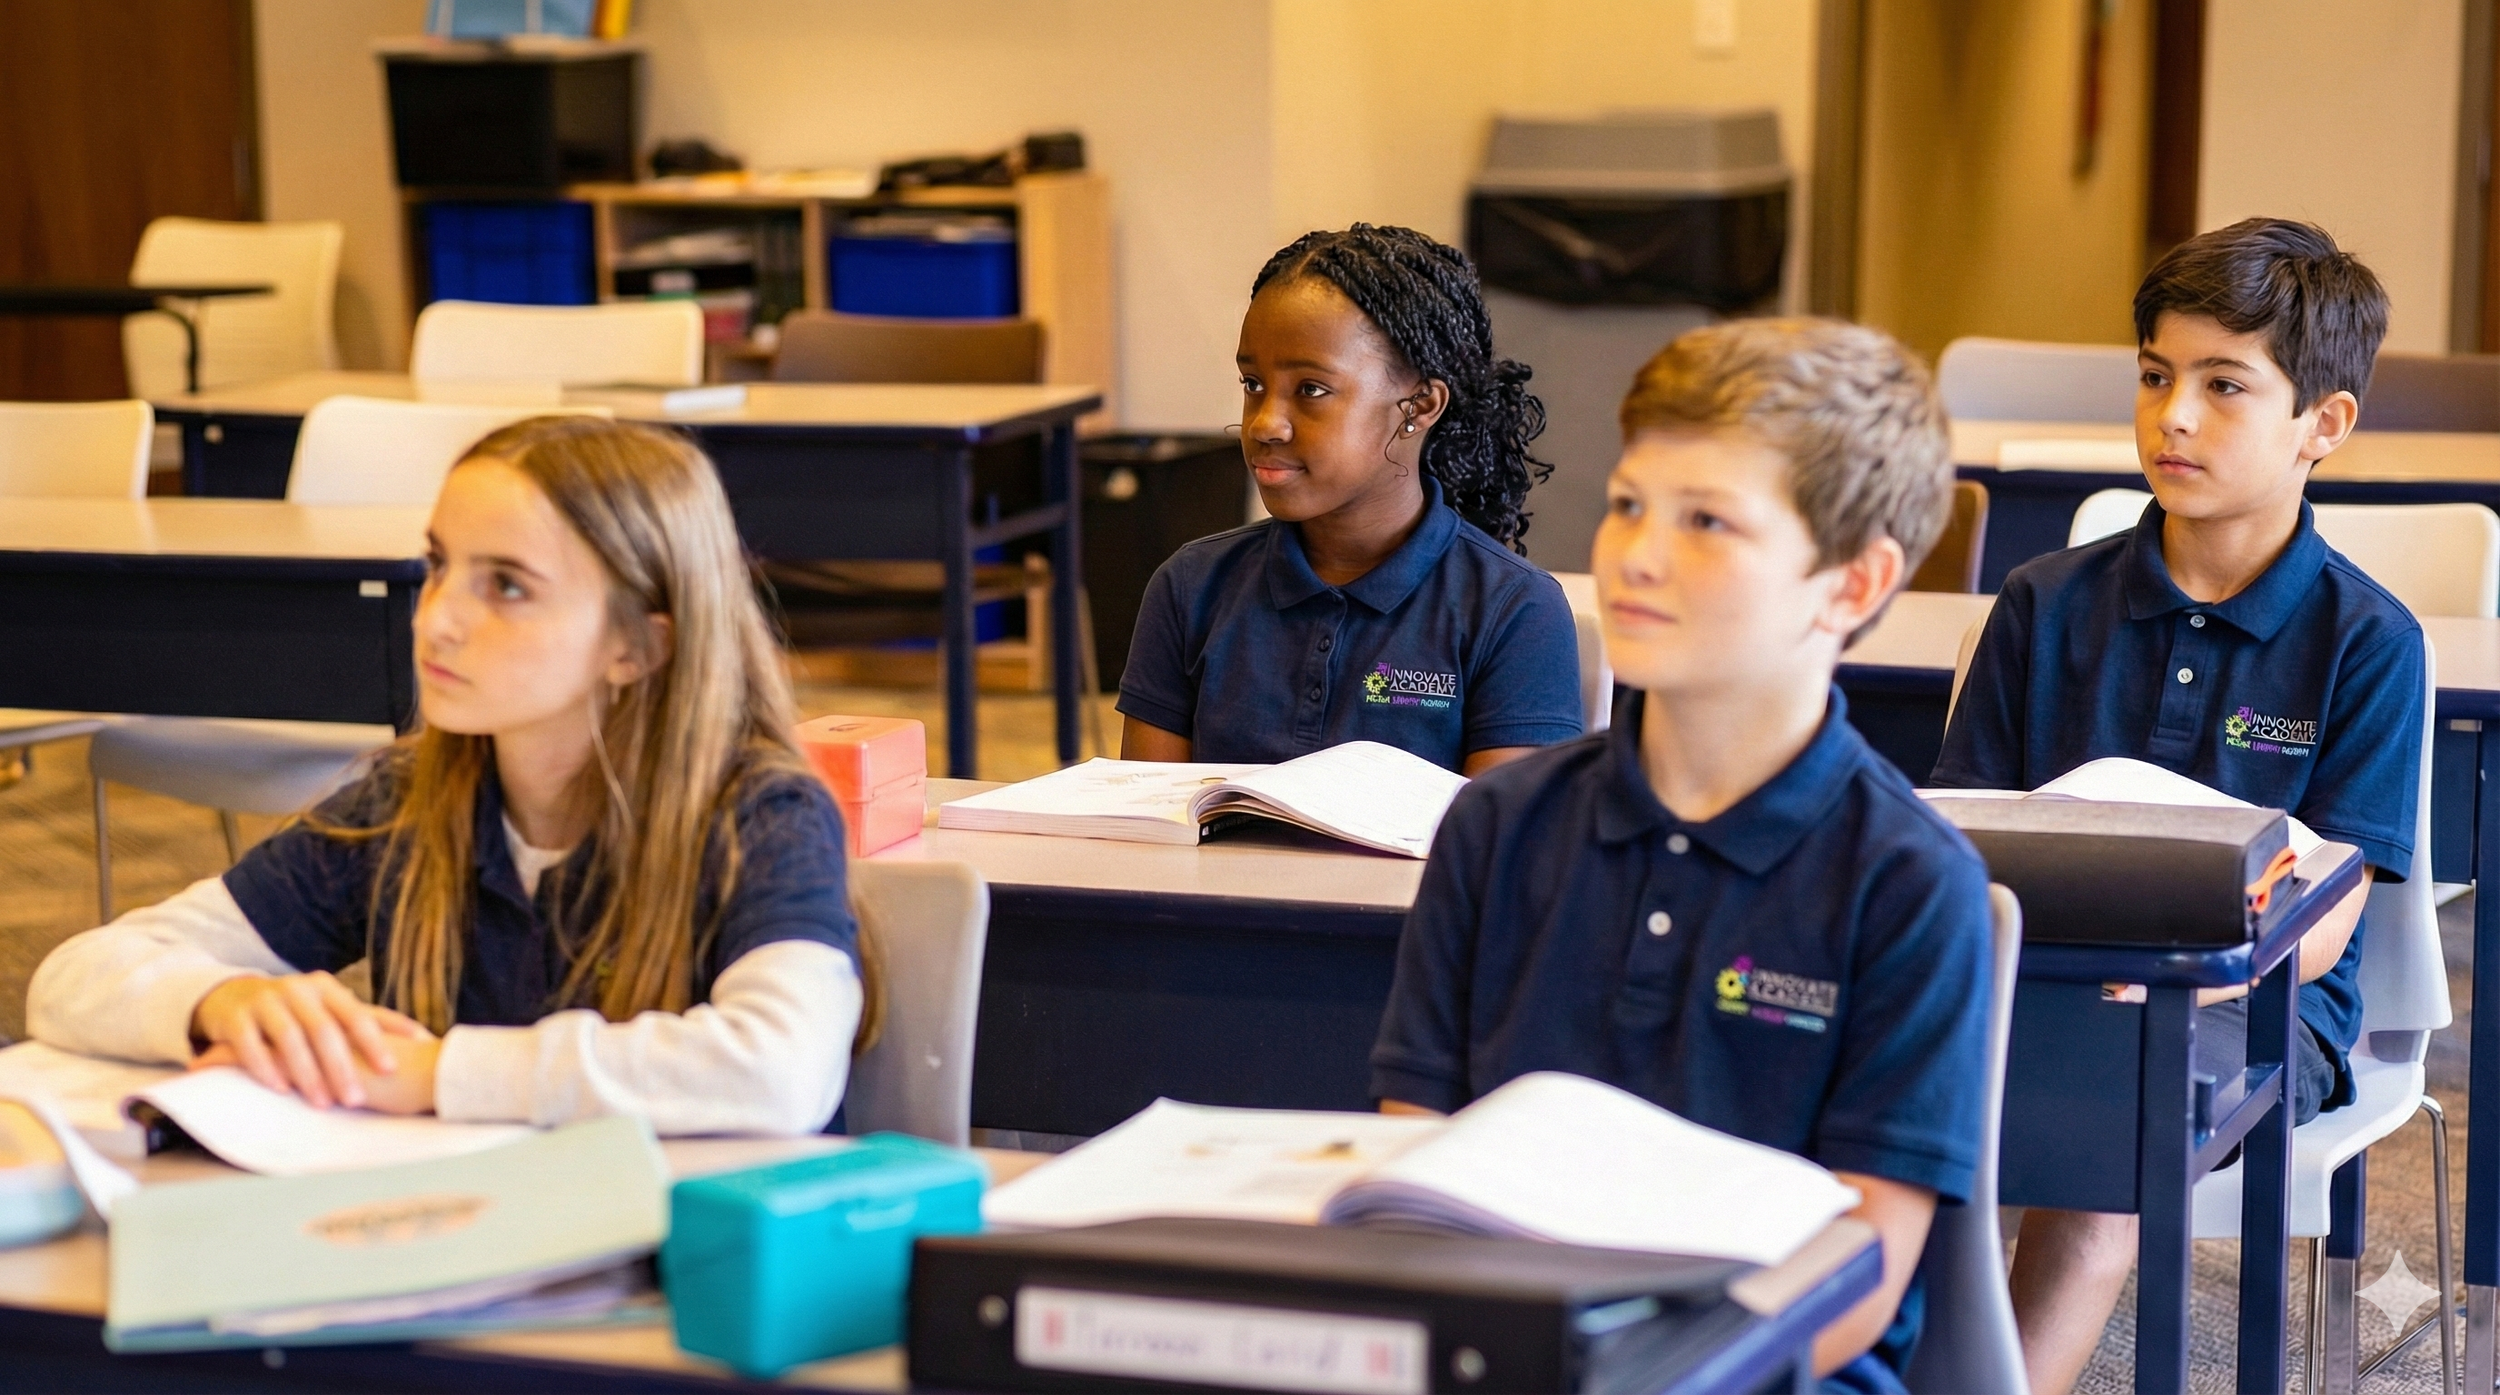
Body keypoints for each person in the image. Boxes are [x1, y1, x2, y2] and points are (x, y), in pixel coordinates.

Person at [1372, 318, 1992, 1393]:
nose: (1637, 555)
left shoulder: (1909, 885)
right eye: (1626, 507)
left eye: (1706, 520)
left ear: (1850, 584)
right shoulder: (1497, 824)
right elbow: (1411, 1167)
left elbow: (1863, 1276)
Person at [31, 416, 877, 1135]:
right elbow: (74, 979)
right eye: (438, 566)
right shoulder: (407, 800)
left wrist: (439, 1073)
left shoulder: (762, 813)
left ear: (637, 646)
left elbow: (782, 1067)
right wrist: (220, 1000)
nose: (437, 619)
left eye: (506, 586)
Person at [1931, 218, 2418, 1395]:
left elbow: (2330, 918)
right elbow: (1955, 842)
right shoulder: (2043, 603)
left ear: (2325, 426)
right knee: (1864, 1074)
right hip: (2038, 976)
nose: (2175, 416)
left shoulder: (2368, 642)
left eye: (2222, 387)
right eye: (2154, 377)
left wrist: (2160, 980)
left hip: (2255, 1013)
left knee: (2103, 1136)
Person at [1118, 224, 1584, 775]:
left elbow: (1502, 850)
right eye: (1253, 384)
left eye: (1311, 390)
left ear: (1418, 406)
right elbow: (1147, 829)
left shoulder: (1514, 610)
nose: (1266, 423)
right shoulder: (1190, 587)